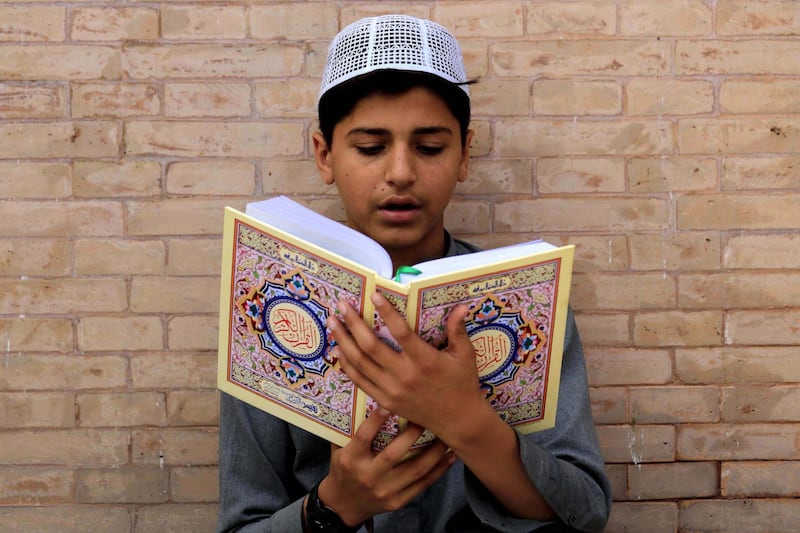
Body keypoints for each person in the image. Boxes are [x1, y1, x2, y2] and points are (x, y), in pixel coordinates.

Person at [217, 14, 611, 533]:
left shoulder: (529, 299)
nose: (400, 172)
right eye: (370, 147)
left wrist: (467, 422)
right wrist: (334, 506)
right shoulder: (267, 299)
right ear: (324, 154)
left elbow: (585, 512)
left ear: (465, 153)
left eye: (429, 148)